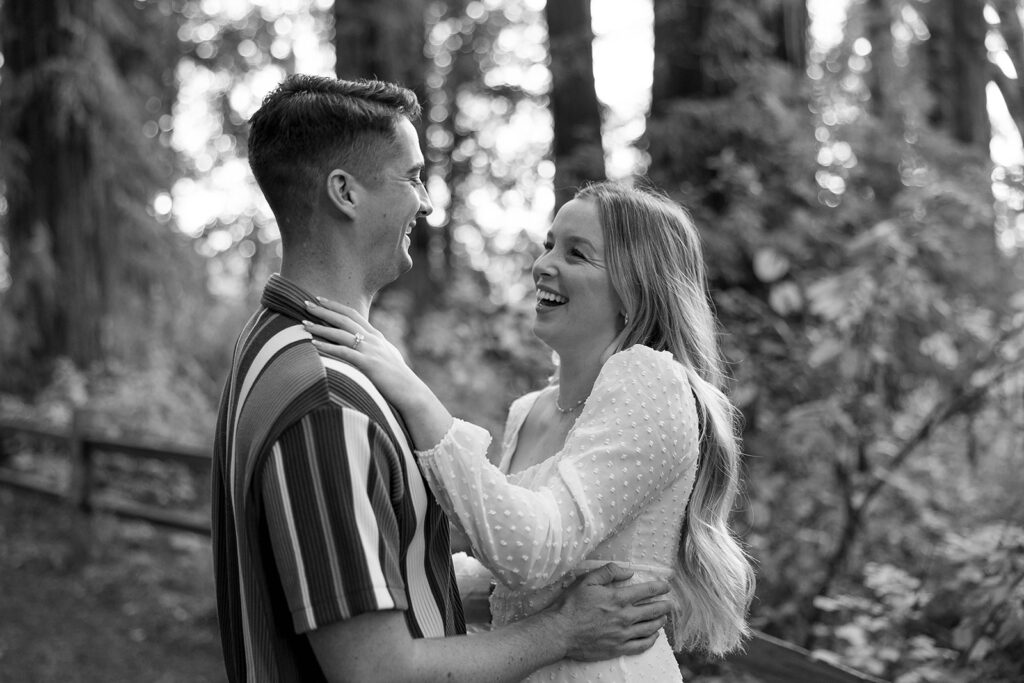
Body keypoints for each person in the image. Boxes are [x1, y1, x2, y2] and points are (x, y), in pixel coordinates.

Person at [211, 75, 675, 683]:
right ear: (345, 193)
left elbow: (383, 570)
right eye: (411, 177)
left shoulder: (271, 344)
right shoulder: (328, 397)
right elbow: (376, 672)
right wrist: (562, 629)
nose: (426, 201)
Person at [305, 180, 757, 681]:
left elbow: (530, 553)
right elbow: (516, 587)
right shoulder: (530, 410)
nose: (543, 264)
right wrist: (365, 585)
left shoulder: (651, 380)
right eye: (548, 245)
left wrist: (414, 396)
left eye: (577, 254)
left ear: (635, 288)